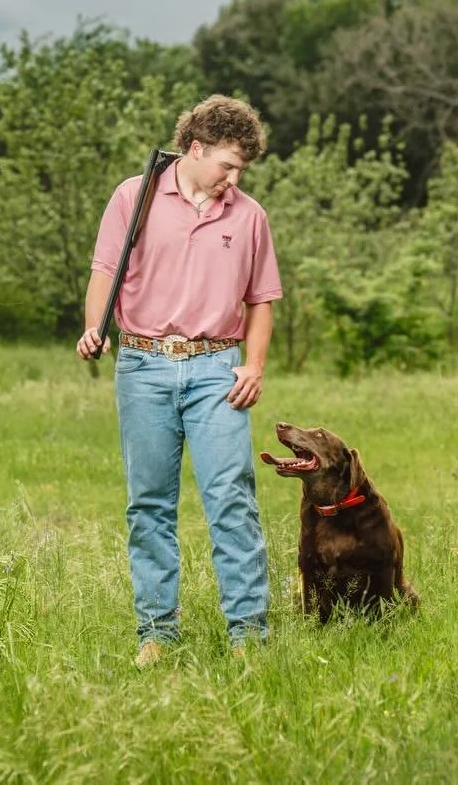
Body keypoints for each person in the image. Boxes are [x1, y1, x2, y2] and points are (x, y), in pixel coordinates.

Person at [76, 95, 282, 668]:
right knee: (149, 505)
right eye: (228, 165)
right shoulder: (133, 197)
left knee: (231, 499)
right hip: (143, 365)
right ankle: (158, 633)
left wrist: (254, 365)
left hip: (218, 367)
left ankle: (249, 635)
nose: (234, 178)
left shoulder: (248, 216)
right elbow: (103, 273)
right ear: (195, 149)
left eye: (242, 169)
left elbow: (261, 300)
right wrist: (95, 328)